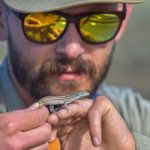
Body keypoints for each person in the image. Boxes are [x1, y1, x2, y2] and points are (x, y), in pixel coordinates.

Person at [0, 0, 149, 150]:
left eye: (98, 23)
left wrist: (132, 146)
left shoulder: (136, 117)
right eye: (44, 24)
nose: (72, 50)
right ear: (1, 18)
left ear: (123, 22)